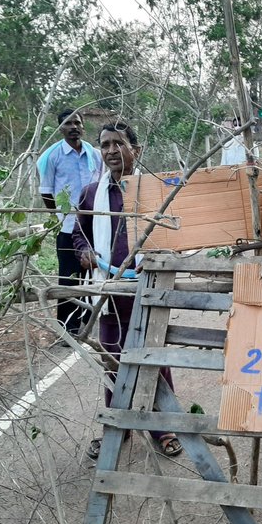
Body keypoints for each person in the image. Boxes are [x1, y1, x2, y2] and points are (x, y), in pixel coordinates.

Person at [73, 121, 183, 459]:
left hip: (149, 289)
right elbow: (79, 232)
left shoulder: (155, 189)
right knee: (112, 360)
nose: (110, 151)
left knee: (154, 359)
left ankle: (162, 428)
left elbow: (177, 232)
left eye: (118, 144)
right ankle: (115, 429)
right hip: (108, 293)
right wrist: (84, 251)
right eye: (104, 145)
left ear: (136, 150)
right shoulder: (92, 193)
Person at [38, 108, 102, 344]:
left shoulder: (95, 154)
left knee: (94, 275)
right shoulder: (51, 156)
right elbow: (46, 191)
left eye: (77, 122)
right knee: (69, 278)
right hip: (67, 229)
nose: (73, 127)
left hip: (95, 226)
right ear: (60, 128)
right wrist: (60, 218)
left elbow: (101, 184)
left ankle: (87, 322)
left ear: (83, 126)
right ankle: (67, 329)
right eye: (68, 123)